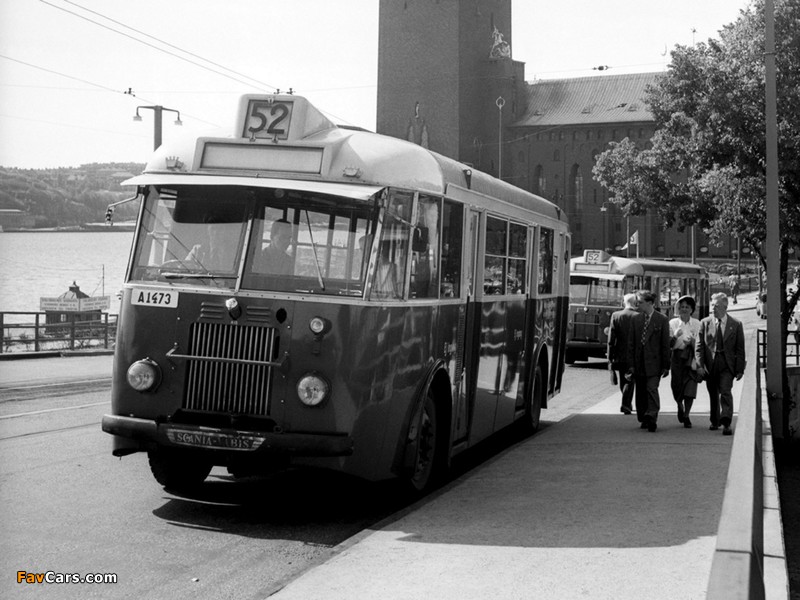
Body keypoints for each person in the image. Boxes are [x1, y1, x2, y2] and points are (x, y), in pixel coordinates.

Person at [695, 292, 746, 435]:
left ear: (725, 307)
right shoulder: (705, 323)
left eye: (716, 306)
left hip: (727, 364)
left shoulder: (736, 324)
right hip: (711, 364)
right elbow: (699, 346)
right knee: (713, 393)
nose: (713, 308)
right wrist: (699, 366)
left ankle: (726, 422)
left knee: (725, 391)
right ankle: (715, 420)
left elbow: (740, 349)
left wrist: (740, 369)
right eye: (712, 305)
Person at [626, 290, 670, 432]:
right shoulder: (635, 319)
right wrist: (631, 364)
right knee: (641, 392)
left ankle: (652, 417)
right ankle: (643, 416)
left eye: (640, 302)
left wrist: (666, 365)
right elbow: (631, 343)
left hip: (654, 364)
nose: (637, 305)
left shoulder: (662, 320)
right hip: (639, 363)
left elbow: (665, 344)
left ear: (650, 303)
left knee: (652, 389)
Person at [668, 295, 702, 428]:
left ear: (691, 309)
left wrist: (693, 342)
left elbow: (701, 344)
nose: (684, 309)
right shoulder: (672, 323)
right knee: (676, 386)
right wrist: (675, 336)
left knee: (690, 387)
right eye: (682, 307)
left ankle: (687, 414)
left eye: (687, 307)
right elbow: (668, 344)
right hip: (677, 358)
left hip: (692, 358)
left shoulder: (697, 324)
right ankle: (679, 405)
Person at [607, 292, 639, 415]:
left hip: (619, 353)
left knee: (623, 379)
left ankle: (627, 403)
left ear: (624, 302)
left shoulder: (616, 315)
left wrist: (610, 357)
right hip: (634, 354)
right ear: (635, 303)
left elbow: (611, 339)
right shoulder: (639, 316)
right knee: (630, 379)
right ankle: (626, 404)